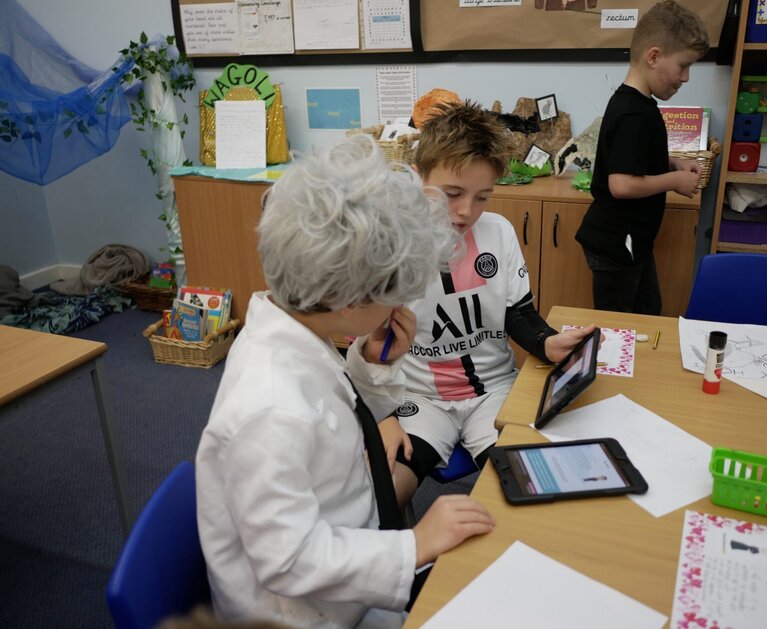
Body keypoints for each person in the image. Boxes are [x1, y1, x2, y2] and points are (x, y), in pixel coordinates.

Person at [195, 134, 495, 629]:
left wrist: (374, 369)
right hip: (305, 614)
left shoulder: (293, 331)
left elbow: (330, 409)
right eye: (395, 293)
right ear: (349, 300)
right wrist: (414, 544)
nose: (400, 306)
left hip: (349, 572)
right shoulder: (269, 409)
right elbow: (289, 560)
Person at [378, 101, 596, 508]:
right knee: (385, 495)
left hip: (494, 391)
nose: (467, 212)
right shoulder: (393, 245)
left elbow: (518, 313)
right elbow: (369, 349)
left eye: (483, 197)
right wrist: (383, 418)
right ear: (418, 177)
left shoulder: (498, 232)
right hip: (420, 396)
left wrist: (547, 342)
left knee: (534, 490)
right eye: (452, 194)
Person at [575, 0, 709, 315]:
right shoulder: (633, 112)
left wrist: (673, 164)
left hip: (632, 244)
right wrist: (675, 180)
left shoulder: (640, 105)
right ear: (653, 57)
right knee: (620, 325)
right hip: (616, 245)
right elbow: (621, 184)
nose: (686, 77)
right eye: (683, 66)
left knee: (648, 313)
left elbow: (635, 160)